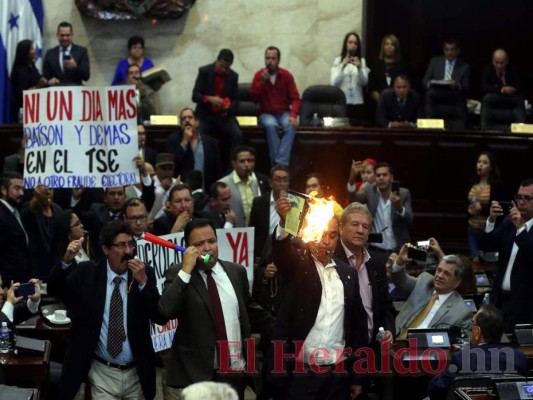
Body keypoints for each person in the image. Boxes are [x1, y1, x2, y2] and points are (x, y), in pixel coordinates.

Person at [47, 220, 167, 400]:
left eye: (130, 245)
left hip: (136, 374)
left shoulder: (143, 273)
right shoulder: (88, 273)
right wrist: (66, 261)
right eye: (121, 245)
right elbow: (54, 289)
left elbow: (160, 317)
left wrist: (143, 283)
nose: (128, 251)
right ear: (105, 249)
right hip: (102, 371)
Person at [158, 218, 274, 399]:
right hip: (200, 378)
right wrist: (186, 270)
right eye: (199, 243)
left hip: (236, 372)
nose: (207, 248)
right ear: (188, 247)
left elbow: (254, 313)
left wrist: (286, 328)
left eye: (211, 241)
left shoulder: (236, 272)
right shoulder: (179, 274)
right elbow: (165, 312)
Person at [269, 194, 367, 399]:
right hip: (301, 373)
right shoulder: (298, 264)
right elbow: (281, 254)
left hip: (337, 375)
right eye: (322, 234)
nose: (327, 241)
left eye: (332, 235)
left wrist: (357, 376)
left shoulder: (348, 274)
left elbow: (358, 329)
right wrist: (284, 222)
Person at [428, 305, 527, 400]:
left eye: (472, 324)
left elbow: (436, 389)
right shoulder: (519, 358)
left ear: (477, 332)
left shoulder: (461, 358)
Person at [335, 203, 395, 344]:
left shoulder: (377, 264)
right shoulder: (331, 260)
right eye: (354, 224)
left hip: (371, 352)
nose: (360, 230)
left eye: (365, 226)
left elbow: (386, 306)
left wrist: (389, 330)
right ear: (341, 228)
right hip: (340, 351)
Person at [481, 178, 533, 332]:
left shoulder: (516, 224)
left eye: (527, 198)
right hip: (499, 303)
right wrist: (491, 220)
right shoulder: (508, 223)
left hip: (525, 307)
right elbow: (486, 246)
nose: (521, 202)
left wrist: (521, 229)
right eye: (519, 197)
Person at [391, 245, 471, 339]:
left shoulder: (461, 312)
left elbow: (460, 344)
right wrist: (400, 261)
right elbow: (401, 282)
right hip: (395, 337)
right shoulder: (424, 281)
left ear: (457, 282)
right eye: (439, 270)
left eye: (447, 273)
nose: (440, 276)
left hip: (426, 349)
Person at [192, 49, 242, 170]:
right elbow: (195, 95)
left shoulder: (233, 76)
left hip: (223, 117)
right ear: (217, 61)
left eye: (227, 68)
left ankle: (232, 169)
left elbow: (236, 101)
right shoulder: (204, 71)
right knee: (199, 134)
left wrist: (229, 105)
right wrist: (209, 99)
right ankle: (199, 167)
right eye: (222, 66)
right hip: (206, 115)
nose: (224, 70)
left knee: (238, 135)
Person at [250, 46, 301, 167]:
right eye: (267, 58)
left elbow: (296, 98)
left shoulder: (286, 76)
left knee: (290, 125)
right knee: (270, 125)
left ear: (278, 60)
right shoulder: (259, 75)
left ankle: (278, 162)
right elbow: (253, 99)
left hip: (283, 112)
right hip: (266, 113)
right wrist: (261, 82)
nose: (270, 61)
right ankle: (280, 164)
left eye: (273, 58)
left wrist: (293, 115)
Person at [352, 162, 413, 252]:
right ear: (375, 178)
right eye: (378, 175)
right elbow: (353, 199)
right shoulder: (369, 191)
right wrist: (351, 179)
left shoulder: (403, 193)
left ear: (391, 178)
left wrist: (399, 208)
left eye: (384, 175)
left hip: (397, 250)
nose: (381, 178)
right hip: (374, 250)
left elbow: (410, 219)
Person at [167, 108, 223, 192]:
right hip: (183, 193)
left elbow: (217, 171)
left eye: (190, 117)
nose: (187, 120)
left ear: (197, 122)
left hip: (206, 192)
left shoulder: (211, 142)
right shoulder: (173, 140)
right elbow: (172, 165)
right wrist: (184, 141)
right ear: (181, 124)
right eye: (183, 119)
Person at [218, 145, 269, 227]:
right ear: (234, 163)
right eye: (242, 161)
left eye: (250, 161)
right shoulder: (223, 184)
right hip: (234, 233)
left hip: (255, 232)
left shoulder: (260, 181)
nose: (246, 164)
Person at [466, 152, 504, 259]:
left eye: (484, 162)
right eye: (479, 162)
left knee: (485, 260)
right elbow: (465, 202)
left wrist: (482, 209)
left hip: (487, 229)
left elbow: (499, 208)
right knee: (475, 259)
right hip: (472, 227)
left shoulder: (496, 185)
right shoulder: (472, 182)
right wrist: (469, 210)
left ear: (491, 167)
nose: (480, 165)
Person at [21, 184, 63, 279]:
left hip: (55, 261)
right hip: (36, 263)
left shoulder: (58, 209)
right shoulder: (30, 208)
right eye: (45, 190)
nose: (48, 192)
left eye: (50, 189)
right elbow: (27, 214)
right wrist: (36, 197)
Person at [331, 32, 370, 126]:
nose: (352, 45)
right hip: (342, 103)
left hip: (357, 102)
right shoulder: (338, 60)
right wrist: (342, 66)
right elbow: (334, 82)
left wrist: (360, 68)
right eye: (350, 42)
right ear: (345, 44)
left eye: (355, 43)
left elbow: (365, 82)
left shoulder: (362, 61)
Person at [0, 172, 31, 286]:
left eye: (22, 189)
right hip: (7, 285)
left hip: (21, 281)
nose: (21, 193)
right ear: (3, 190)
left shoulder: (17, 211)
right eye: (17, 188)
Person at [80, 186, 127, 261]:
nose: (116, 197)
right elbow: (80, 218)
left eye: (120, 193)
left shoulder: (129, 213)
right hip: (99, 261)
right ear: (105, 197)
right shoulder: (96, 210)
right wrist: (76, 198)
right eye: (112, 194)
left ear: (125, 197)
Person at [10, 40, 47, 122]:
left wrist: (47, 82)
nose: (35, 50)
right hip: (24, 111)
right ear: (25, 52)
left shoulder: (32, 66)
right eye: (32, 49)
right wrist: (39, 86)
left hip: (35, 109)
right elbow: (23, 93)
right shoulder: (20, 71)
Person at [43, 21, 90, 86]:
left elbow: (86, 76)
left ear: (72, 35)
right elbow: (45, 76)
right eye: (62, 35)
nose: (65, 38)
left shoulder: (81, 51)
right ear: (57, 35)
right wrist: (49, 81)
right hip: (57, 93)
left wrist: (75, 67)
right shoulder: (50, 53)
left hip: (75, 92)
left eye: (67, 35)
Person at [368, 34, 407, 104]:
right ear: (383, 47)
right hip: (377, 103)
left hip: (396, 103)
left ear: (396, 48)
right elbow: (371, 86)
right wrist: (379, 100)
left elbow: (404, 86)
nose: (389, 47)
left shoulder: (401, 66)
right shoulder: (376, 65)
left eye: (392, 45)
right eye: (387, 44)